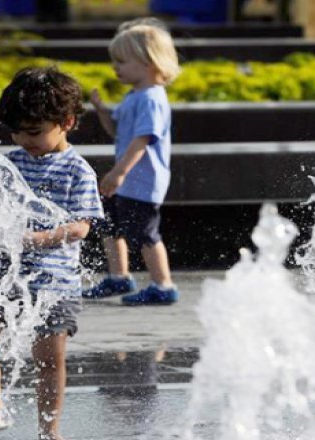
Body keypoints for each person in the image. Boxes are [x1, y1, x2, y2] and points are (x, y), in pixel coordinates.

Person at [0, 66, 104, 440]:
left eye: (33, 132)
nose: (23, 140)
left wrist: (38, 238)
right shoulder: (10, 164)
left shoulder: (78, 171)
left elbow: (81, 227)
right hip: (2, 273)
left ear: (66, 122)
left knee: (49, 360)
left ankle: (49, 432)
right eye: (15, 132)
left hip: (53, 282)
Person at [83, 21, 182, 306]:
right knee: (110, 225)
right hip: (128, 180)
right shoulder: (135, 96)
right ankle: (119, 277)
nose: (116, 67)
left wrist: (118, 172)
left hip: (141, 182)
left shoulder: (151, 99)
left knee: (145, 233)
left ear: (149, 62)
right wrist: (102, 111)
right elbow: (118, 132)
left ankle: (163, 285)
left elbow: (142, 139)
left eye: (122, 61)